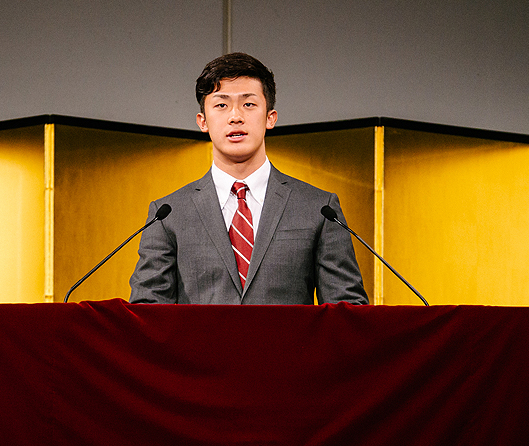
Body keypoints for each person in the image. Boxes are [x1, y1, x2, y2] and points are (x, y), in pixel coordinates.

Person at [128, 52, 368, 305]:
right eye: (221, 105)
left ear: (270, 118)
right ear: (202, 121)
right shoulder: (168, 214)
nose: (235, 116)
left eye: (249, 104)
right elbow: (147, 312)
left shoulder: (318, 208)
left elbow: (348, 312)